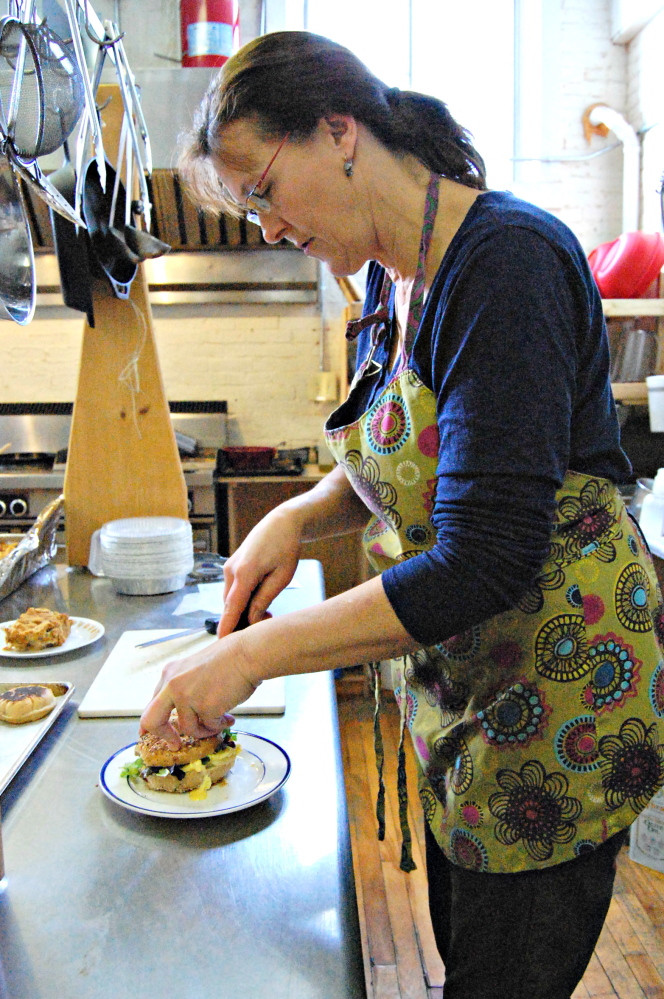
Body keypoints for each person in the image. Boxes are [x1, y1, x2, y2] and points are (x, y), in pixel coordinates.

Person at [140, 30, 664, 999]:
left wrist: (250, 653)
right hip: (466, 707)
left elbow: (481, 558)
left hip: (558, 714)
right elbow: (413, 455)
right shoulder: (388, 277)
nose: (261, 225)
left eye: (260, 189)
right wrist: (299, 514)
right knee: (468, 964)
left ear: (339, 132)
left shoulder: (504, 268)